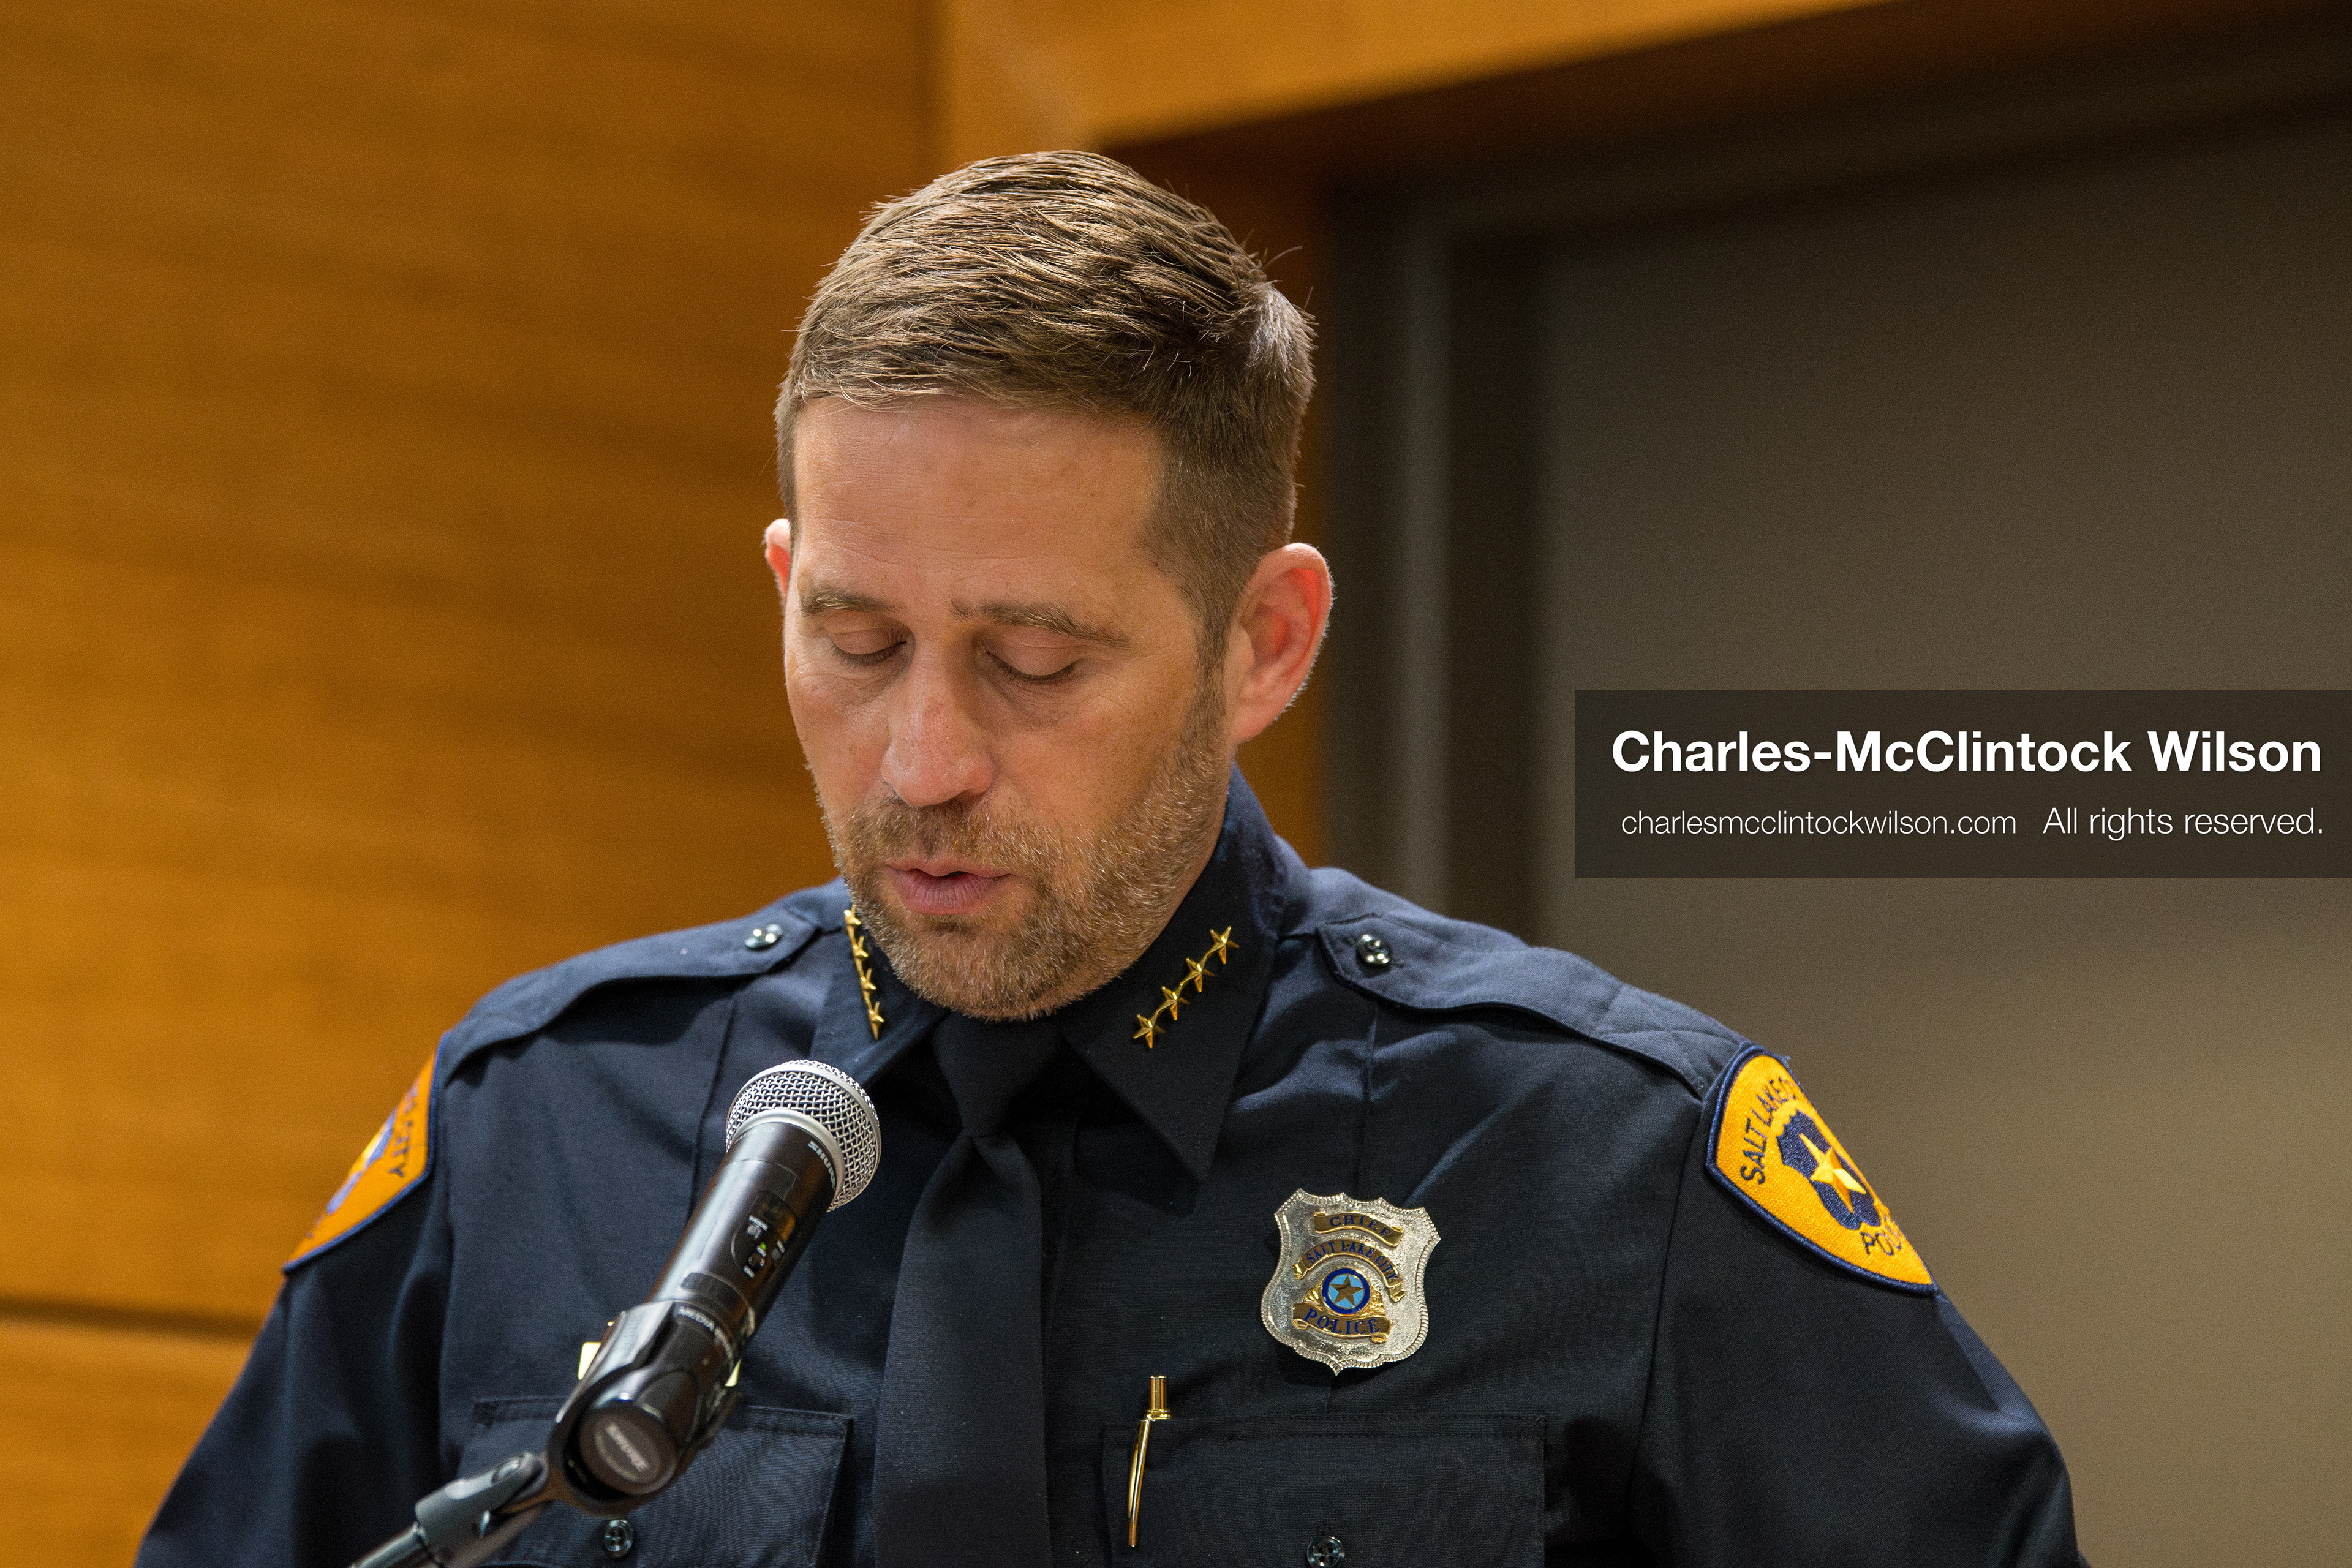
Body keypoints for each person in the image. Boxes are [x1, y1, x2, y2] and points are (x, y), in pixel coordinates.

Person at [139, 151, 2085, 1568]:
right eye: (855, 636)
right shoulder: (534, 1126)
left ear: (1268, 642)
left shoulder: (1611, 1163)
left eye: (1036, 659)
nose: (924, 761)